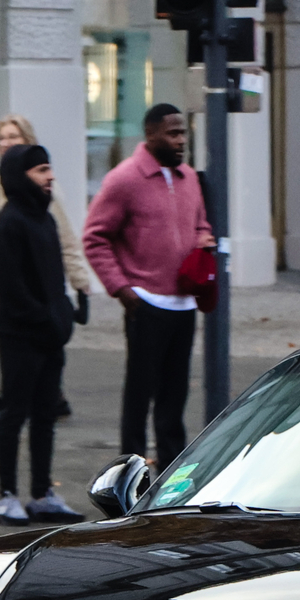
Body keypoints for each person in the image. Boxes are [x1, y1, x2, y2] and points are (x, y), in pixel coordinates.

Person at [82, 103, 214, 467]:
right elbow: (95, 237)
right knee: (140, 395)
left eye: (183, 132)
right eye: (172, 133)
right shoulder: (124, 180)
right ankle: (131, 471)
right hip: (146, 303)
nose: (181, 140)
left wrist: (203, 240)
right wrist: (122, 290)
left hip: (184, 303)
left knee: (175, 396)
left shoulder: (188, 177)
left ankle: (171, 473)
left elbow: (201, 223)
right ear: (151, 135)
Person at [0, 145, 83, 526]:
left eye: (49, 168)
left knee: (45, 415)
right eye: (42, 170)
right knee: (14, 413)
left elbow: (53, 275)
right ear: (21, 175)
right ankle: (7, 495)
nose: (50, 177)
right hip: (19, 333)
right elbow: (11, 287)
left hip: (50, 334)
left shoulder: (45, 219)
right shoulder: (7, 224)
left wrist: (65, 312)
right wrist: (45, 318)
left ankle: (42, 492)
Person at [0, 115, 89, 425]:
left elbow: (64, 237)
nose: (6, 143)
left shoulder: (46, 187)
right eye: (2, 138)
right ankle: (22, 396)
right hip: (4, 279)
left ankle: (36, 397)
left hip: (41, 281)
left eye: (13, 137)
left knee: (40, 340)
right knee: (8, 337)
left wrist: (79, 280)